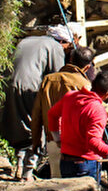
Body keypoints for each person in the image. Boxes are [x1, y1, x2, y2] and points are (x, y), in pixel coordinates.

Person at [0, 23, 83, 180]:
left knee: (19, 125)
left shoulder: (28, 40)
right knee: (37, 126)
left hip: (7, 85)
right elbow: (57, 79)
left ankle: (18, 165)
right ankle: (27, 173)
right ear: (67, 42)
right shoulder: (56, 48)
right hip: (30, 88)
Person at [47, 71, 108, 182]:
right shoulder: (97, 110)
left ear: (92, 84)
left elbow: (52, 114)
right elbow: (93, 142)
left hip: (66, 161)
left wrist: (58, 139)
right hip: (84, 165)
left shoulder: (70, 97)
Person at [30, 46, 96, 179]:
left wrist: (36, 141)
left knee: (57, 186)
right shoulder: (85, 85)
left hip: (53, 141)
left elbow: (36, 115)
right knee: (77, 188)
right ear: (87, 67)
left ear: (70, 59)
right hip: (75, 146)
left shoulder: (48, 80)